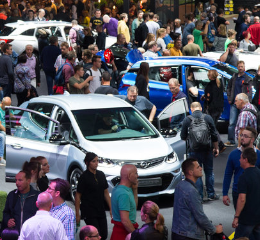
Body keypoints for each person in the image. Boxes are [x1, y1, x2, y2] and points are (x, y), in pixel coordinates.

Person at [172, 158, 223, 240]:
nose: (201, 168)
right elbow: (200, 216)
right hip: (188, 235)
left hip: (177, 232)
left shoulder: (179, 186)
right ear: (190, 172)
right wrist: (214, 229)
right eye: (198, 167)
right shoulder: (191, 191)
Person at [181, 102, 219, 201]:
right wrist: (216, 148)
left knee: (196, 173)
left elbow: (183, 137)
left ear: (191, 109)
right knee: (209, 171)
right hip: (207, 149)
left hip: (193, 151)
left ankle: (199, 196)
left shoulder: (187, 119)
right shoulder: (208, 118)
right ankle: (211, 194)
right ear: (201, 108)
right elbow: (214, 134)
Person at [75, 152, 111, 240]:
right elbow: (78, 195)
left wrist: (111, 208)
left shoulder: (101, 175)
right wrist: (77, 214)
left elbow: (105, 192)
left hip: (100, 209)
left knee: (104, 235)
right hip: (89, 211)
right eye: (93, 161)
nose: (96, 163)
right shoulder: (84, 177)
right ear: (87, 163)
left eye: (97, 161)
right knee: (95, 235)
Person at [223, 127, 260, 209]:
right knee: (239, 217)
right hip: (237, 191)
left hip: (254, 193)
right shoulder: (233, 154)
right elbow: (228, 174)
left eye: (246, 136)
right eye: (241, 135)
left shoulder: (258, 155)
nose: (242, 138)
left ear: (252, 139)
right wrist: (225, 193)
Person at [232, 148, 260, 239]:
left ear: (246, 160)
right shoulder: (259, 173)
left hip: (247, 219)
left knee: (240, 238)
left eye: (241, 158)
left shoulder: (243, 177)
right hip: (258, 217)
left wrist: (236, 216)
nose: (239, 160)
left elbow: (242, 199)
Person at [225, 61, 252, 147]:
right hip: (234, 103)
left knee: (244, 124)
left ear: (244, 67)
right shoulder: (234, 77)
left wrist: (248, 102)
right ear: (237, 67)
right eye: (239, 66)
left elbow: (249, 92)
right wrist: (230, 98)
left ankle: (244, 141)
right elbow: (228, 87)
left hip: (243, 103)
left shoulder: (247, 78)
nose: (240, 68)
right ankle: (231, 140)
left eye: (242, 66)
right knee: (232, 123)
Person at [110, 164, 139, 240]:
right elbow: (125, 221)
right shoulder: (124, 194)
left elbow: (133, 207)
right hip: (123, 234)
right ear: (129, 176)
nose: (137, 176)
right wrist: (136, 236)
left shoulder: (117, 188)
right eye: (136, 173)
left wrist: (135, 190)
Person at [202, 70, 225, 152]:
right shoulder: (219, 84)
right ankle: (215, 143)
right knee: (213, 125)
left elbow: (209, 98)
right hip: (219, 108)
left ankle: (220, 144)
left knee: (212, 127)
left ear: (210, 76)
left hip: (212, 109)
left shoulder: (209, 86)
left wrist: (205, 98)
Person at [0, 97, 11, 166]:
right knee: (2, 136)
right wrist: (7, 132)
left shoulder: (7, 108)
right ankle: (1, 157)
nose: (8, 107)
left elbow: (13, 117)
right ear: (2, 103)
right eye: (6, 105)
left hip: (8, 128)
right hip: (1, 130)